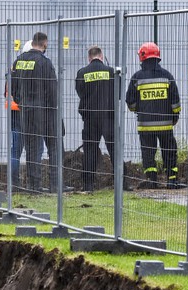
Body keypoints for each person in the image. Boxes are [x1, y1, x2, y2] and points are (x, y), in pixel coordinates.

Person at [125, 42, 181, 189]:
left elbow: (130, 102)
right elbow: (175, 101)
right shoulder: (167, 76)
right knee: (169, 151)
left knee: (148, 152)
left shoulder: (137, 77)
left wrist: (140, 108)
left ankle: (152, 180)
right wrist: (175, 116)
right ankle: (172, 180)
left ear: (142, 57)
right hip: (165, 124)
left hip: (145, 125)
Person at [11, 31, 61, 193]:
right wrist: (53, 110)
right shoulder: (45, 63)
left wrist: (22, 103)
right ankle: (55, 184)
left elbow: (13, 87)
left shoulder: (19, 61)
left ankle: (34, 185)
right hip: (45, 111)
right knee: (53, 146)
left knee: (31, 147)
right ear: (44, 44)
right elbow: (52, 90)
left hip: (26, 111)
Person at [75, 45, 115, 192]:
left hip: (90, 117)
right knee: (114, 149)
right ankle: (121, 182)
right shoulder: (111, 72)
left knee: (90, 150)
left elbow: (80, 92)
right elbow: (117, 94)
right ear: (101, 56)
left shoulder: (82, 73)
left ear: (89, 58)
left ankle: (88, 185)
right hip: (108, 116)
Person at [5, 40, 32, 191]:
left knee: (15, 149)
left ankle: (13, 182)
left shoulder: (13, 66)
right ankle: (31, 182)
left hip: (14, 111)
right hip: (25, 111)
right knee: (33, 148)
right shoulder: (31, 66)